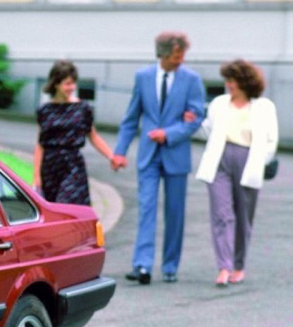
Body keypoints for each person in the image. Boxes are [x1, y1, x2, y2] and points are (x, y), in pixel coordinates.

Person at [111, 31, 205, 284]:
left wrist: (170, 133)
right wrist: (119, 152)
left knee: (175, 212)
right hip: (148, 156)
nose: (180, 60)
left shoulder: (192, 80)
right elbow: (131, 118)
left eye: (182, 55)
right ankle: (142, 266)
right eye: (176, 55)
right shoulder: (142, 77)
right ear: (162, 54)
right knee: (147, 208)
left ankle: (170, 265)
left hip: (176, 154)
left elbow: (197, 117)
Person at [194, 60, 279, 287]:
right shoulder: (220, 104)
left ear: (246, 82)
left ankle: (238, 265)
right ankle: (224, 266)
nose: (229, 84)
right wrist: (194, 123)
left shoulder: (264, 107)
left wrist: (261, 162)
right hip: (219, 161)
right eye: (227, 80)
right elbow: (208, 130)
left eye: (233, 80)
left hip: (249, 161)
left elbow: (271, 141)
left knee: (243, 217)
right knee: (221, 214)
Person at [32, 60, 114, 205]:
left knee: (67, 203)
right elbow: (40, 144)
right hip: (50, 167)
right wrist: (36, 176)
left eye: (73, 83)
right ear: (56, 83)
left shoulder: (83, 108)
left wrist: (111, 156)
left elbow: (93, 136)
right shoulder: (44, 110)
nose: (72, 87)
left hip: (73, 165)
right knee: (54, 210)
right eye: (67, 83)